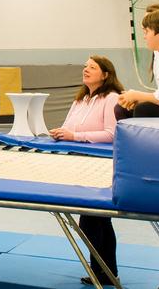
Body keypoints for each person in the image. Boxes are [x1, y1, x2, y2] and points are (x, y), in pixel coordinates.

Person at [48, 56, 124, 286]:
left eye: (92, 67)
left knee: (94, 221)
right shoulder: (80, 99)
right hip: (79, 164)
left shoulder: (111, 99)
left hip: (100, 164)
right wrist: (61, 132)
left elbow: (112, 134)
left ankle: (106, 273)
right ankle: (104, 272)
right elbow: (69, 126)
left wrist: (76, 136)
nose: (86, 70)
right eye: (85, 66)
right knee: (95, 221)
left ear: (105, 74)